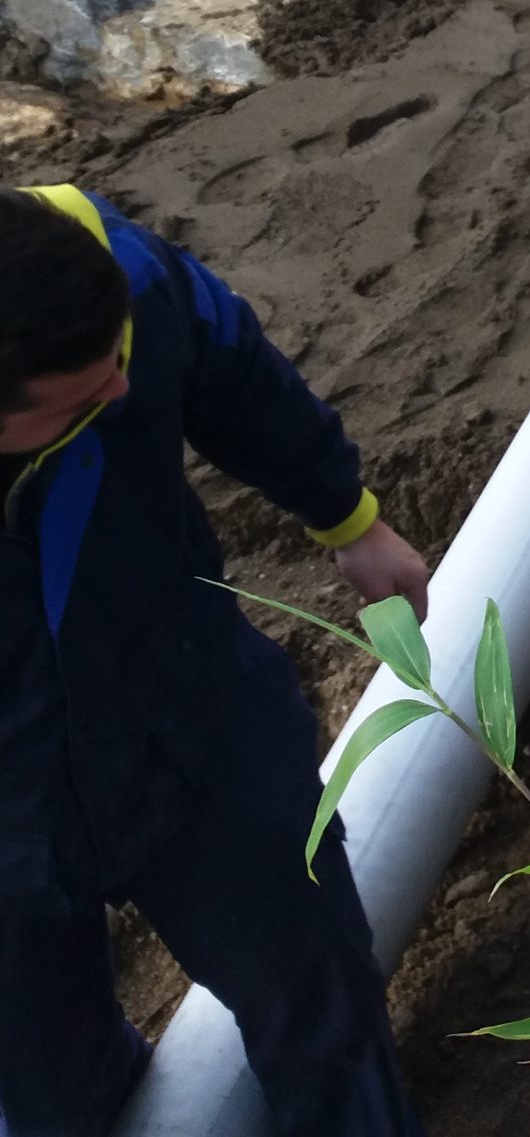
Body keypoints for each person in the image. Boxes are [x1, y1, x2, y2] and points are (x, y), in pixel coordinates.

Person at [0, 183, 430, 1137]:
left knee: (320, 998)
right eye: (82, 397)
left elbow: (231, 372)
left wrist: (349, 517)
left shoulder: (118, 274)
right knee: (48, 1098)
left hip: (191, 722)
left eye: (116, 357)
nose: (120, 389)